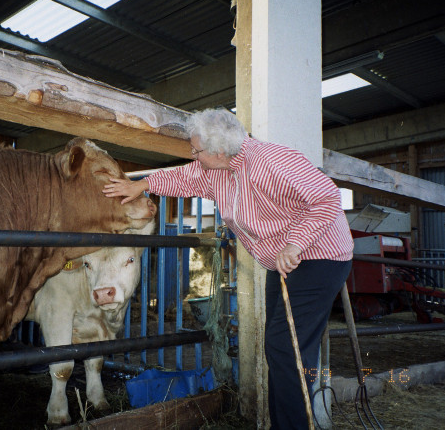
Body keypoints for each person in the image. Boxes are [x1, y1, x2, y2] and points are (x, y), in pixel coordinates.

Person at [103, 108, 354, 429]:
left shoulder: (271, 161)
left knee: (284, 346)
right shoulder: (216, 169)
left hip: (319, 256)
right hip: (282, 259)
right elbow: (184, 176)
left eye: (196, 150)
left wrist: (295, 242)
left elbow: (326, 199)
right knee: (281, 346)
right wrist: (144, 184)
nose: (193, 155)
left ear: (220, 150)